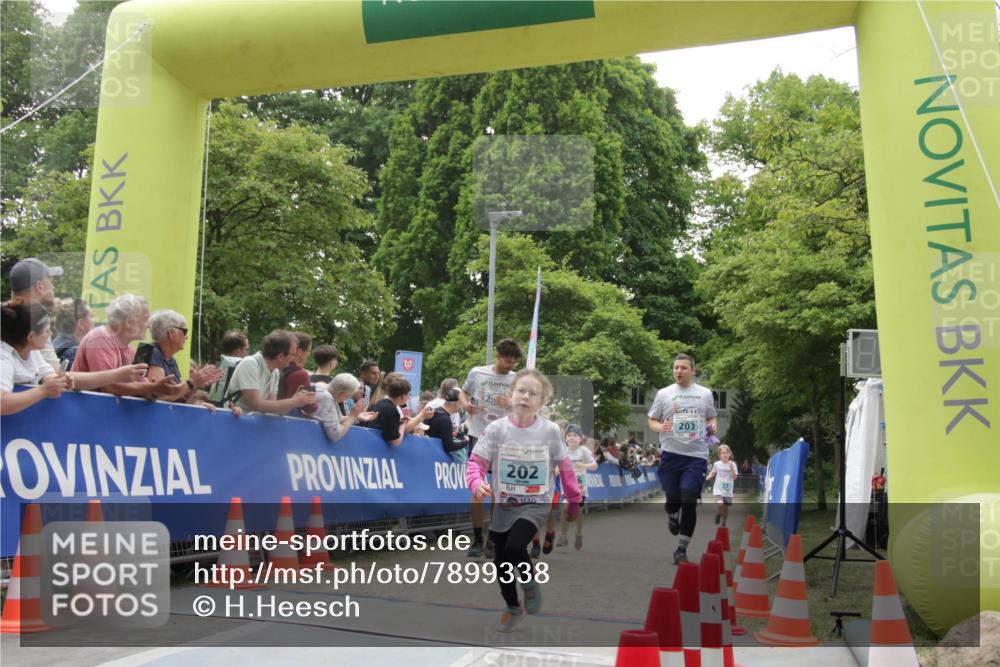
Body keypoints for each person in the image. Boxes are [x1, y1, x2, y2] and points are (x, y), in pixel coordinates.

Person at [465, 368, 582, 631]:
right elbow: (475, 463)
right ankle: (512, 605)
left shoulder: (550, 430)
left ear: (541, 402)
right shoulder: (496, 429)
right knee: (500, 562)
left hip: (536, 503)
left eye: (533, 394)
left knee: (516, 547)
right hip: (504, 503)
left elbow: (565, 467)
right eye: (521, 390)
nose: (526, 396)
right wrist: (476, 482)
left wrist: (573, 500)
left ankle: (529, 584)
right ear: (510, 394)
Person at [1, 302, 147, 415]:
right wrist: (43, 391)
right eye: (47, 330)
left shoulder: (33, 352)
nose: (51, 334)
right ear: (31, 337)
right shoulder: (4, 359)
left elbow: (55, 377)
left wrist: (63, 381)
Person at [648, 353, 718, 564]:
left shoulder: (705, 394)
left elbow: (711, 416)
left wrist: (712, 425)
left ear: (693, 371)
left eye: (683, 368)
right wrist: (662, 426)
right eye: (676, 367)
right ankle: (671, 512)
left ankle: (681, 548)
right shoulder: (664, 393)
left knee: (689, 499)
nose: (678, 371)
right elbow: (652, 419)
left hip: (696, 455)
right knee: (673, 498)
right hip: (671, 454)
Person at [461, 338, 523, 559]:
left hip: (504, 439)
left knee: (499, 490)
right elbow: (463, 392)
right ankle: (477, 538)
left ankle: (493, 539)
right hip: (479, 436)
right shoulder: (477, 372)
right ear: (497, 356)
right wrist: (465, 404)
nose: (510, 366)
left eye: (514, 362)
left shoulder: (517, 380)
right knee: (477, 490)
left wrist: (511, 405)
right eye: (507, 361)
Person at [72, 294, 187, 400]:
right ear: (129, 322)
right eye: (146, 319)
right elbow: (109, 387)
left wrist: (157, 389)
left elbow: (143, 386)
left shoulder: (129, 349)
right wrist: (153, 388)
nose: (148, 326)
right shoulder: (100, 338)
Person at [226, 330, 317, 415]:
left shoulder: (275, 372)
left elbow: (272, 408)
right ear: (281, 356)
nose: (293, 358)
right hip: (232, 423)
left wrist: (295, 400)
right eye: (292, 354)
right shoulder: (250, 363)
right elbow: (255, 405)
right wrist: (294, 401)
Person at [143, 309, 224, 405]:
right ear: (171, 333)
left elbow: (181, 396)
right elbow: (160, 396)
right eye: (184, 331)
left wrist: (197, 384)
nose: (187, 337)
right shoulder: (149, 352)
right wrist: (193, 383)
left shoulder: (171, 359)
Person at [8, 257, 63, 368]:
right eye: (51, 281)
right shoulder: (37, 321)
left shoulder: (6, 316)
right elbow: (56, 372)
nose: (53, 286)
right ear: (39, 286)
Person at [557, 424, 597, 550]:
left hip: (580, 487)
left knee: (578, 511)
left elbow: (594, 465)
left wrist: (584, 466)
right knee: (565, 509)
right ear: (565, 438)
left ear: (580, 439)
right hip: (566, 486)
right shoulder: (563, 450)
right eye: (569, 435)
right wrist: (557, 469)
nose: (572, 438)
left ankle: (579, 534)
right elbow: (557, 463)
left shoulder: (583, 451)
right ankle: (563, 536)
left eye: (575, 435)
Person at [368, 373, 431, 446]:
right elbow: (395, 442)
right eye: (408, 394)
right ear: (402, 396)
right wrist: (403, 424)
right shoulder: (391, 409)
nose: (409, 398)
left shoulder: (381, 403)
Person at [313, 373, 373, 441]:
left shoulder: (325, 388)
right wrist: (353, 416)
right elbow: (336, 435)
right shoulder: (326, 398)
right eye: (349, 396)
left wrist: (357, 416)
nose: (348, 399)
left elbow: (338, 418)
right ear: (342, 394)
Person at [423, 387, 469, 462]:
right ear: (457, 403)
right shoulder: (445, 419)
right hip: (436, 459)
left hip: (429, 454)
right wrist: (465, 442)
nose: (462, 406)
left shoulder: (434, 412)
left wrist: (449, 435)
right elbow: (449, 447)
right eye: (462, 403)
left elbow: (435, 433)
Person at [206, 330, 249, 406]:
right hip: (231, 412)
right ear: (237, 351)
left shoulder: (215, 366)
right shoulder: (243, 367)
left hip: (212, 408)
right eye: (247, 349)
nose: (248, 353)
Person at [51, 297, 94, 368]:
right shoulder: (75, 353)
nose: (94, 320)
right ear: (81, 324)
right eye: (91, 316)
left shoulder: (55, 345)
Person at [706, 444, 738, 526]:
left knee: (726, 508)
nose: (725, 455)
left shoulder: (733, 464)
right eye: (723, 453)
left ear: (729, 454)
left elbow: (734, 477)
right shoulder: (717, 464)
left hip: (728, 489)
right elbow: (713, 472)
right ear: (719, 455)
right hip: (718, 488)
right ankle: (718, 514)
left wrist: (731, 469)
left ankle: (724, 522)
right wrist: (708, 477)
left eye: (727, 453)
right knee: (720, 504)